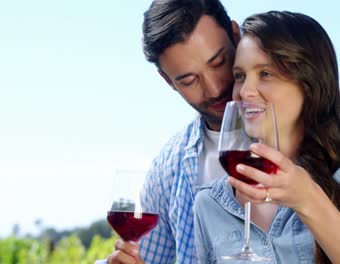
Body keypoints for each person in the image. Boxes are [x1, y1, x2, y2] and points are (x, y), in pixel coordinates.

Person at [194, 11, 340, 264]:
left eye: (266, 73)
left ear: (309, 84)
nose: (244, 91)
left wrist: (307, 198)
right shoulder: (209, 204)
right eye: (240, 76)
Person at [107, 0, 240, 263]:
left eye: (219, 62)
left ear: (237, 36)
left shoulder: (305, 132)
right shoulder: (169, 166)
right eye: (189, 80)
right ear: (168, 82)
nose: (214, 88)